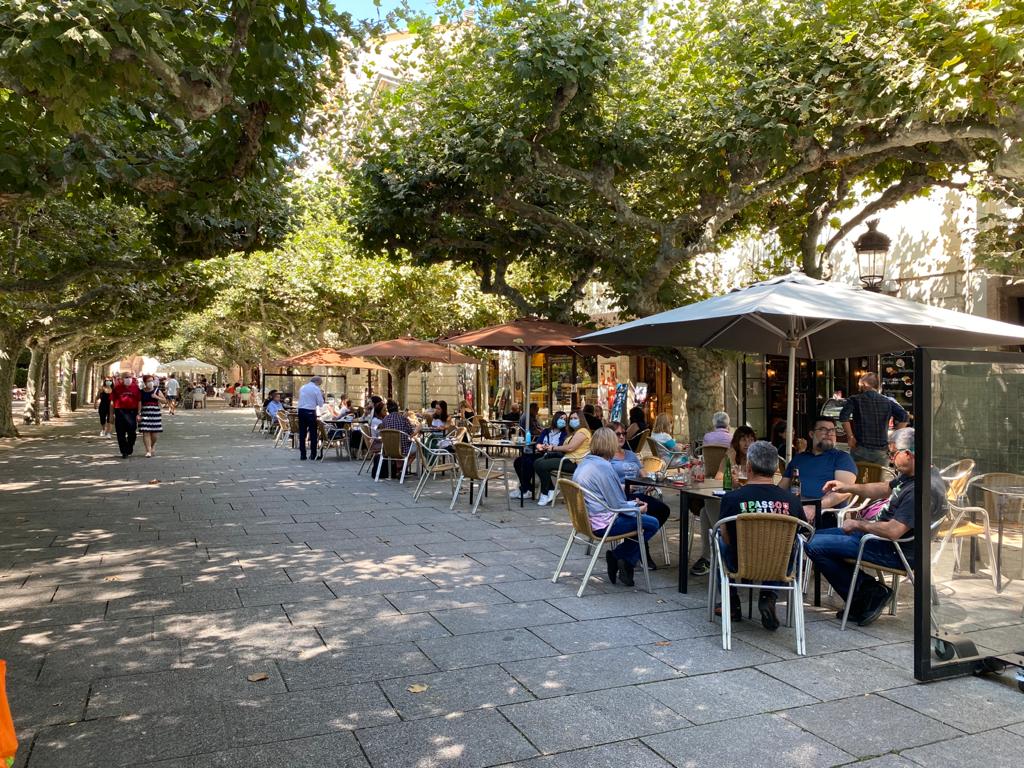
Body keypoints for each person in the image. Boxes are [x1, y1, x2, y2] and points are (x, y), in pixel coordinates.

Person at [806, 427, 947, 626]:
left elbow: (893, 531)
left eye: (892, 453)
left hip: (894, 550)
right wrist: (847, 487)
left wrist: (858, 524)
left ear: (907, 453)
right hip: (879, 540)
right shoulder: (919, 472)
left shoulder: (921, 489)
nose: (890, 458)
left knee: (814, 545)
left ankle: (869, 592)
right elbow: (884, 488)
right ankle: (866, 594)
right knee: (813, 537)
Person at [717, 441, 804, 630]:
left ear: (748, 467)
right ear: (775, 468)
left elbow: (726, 537)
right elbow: (802, 534)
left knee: (718, 542)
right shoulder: (792, 501)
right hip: (779, 567)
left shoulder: (732, 498)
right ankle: (768, 595)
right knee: (787, 548)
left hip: (740, 563)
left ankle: (731, 603)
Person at [573, 427, 662, 587]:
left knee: (644, 517)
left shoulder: (586, 462)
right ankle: (617, 556)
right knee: (652, 523)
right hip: (604, 523)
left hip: (586, 520)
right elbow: (618, 505)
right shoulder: (604, 468)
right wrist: (637, 507)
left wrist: (633, 504)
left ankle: (625, 561)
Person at [610, 424, 671, 568]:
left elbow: (643, 473)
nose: (621, 437)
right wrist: (628, 487)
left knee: (663, 510)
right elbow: (608, 484)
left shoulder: (630, 454)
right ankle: (641, 551)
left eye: (624, 433)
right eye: (617, 434)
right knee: (643, 515)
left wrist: (649, 481)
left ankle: (629, 551)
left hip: (638, 494)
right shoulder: (607, 457)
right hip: (621, 497)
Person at [778, 415, 858, 512]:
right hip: (792, 509)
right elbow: (781, 489)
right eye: (823, 429)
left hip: (824, 513)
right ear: (811, 434)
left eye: (832, 430)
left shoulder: (842, 458)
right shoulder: (799, 458)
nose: (829, 433)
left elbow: (842, 492)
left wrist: (814, 507)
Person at [840, 372, 910, 465]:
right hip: (881, 450)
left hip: (860, 447)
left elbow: (843, 417)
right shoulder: (888, 401)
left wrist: (850, 437)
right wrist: (893, 439)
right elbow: (904, 417)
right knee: (879, 478)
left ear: (864, 384)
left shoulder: (854, 399)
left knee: (858, 477)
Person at [533, 410, 591, 506]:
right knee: (537, 462)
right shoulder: (574, 432)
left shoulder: (583, 431)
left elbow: (570, 447)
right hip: (566, 459)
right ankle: (551, 489)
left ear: (581, 419)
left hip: (574, 463)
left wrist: (553, 447)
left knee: (542, 464)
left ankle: (545, 492)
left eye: (575, 418)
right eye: (571, 418)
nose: (572, 420)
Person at [511, 412, 567, 500]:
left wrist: (550, 448)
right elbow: (538, 442)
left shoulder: (565, 434)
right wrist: (539, 446)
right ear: (556, 419)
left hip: (551, 456)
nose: (563, 421)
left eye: (565, 420)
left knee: (529, 462)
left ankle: (526, 489)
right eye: (561, 418)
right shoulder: (546, 431)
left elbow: (561, 447)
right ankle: (527, 487)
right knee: (518, 461)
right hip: (540, 453)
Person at [379, 399, 416, 477]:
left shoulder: (385, 420)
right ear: (397, 409)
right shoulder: (403, 419)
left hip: (388, 449)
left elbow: (381, 432)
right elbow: (411, 433)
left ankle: (398, 468)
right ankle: (403, 468)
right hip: (403, 449)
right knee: (418, 448)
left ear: (388, 410)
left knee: (398, 446)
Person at [110, 371, 142, 458]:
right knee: (120, 433)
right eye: (126, 377)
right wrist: (111, 415)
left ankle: (130, 446)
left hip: (132, 412)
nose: (128, 379)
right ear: (121, 379)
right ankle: (124, 451)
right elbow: (112, 402)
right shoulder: (117, 388)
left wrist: (139, 413)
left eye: (129, 377)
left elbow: (139, 401)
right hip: (120, 412)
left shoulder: (136, 388)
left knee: (132, 432)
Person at [296, 375, 325, 461]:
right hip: (310, 411)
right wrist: (322, 396)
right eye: (320, 383)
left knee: (302, 433)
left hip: (301, 411)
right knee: (313, 433)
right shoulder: (316, 389)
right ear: (317, 382)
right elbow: (320, 404)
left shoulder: (303, 387)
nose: (319, 385)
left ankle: (302, 454)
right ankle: (313, 454)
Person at [138, 375, 166, 458]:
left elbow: (164, 401)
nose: (151, 382)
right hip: (145, 413)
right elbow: (139, 403)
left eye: (152, 380)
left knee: (154, 435)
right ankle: (148, 451)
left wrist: (156, 397)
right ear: (145, 382)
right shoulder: (141, 392)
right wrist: (138, 414)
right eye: (148, 381)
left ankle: (152, 445)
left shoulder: (157, 390)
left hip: (155, 414)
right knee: (145, 432)